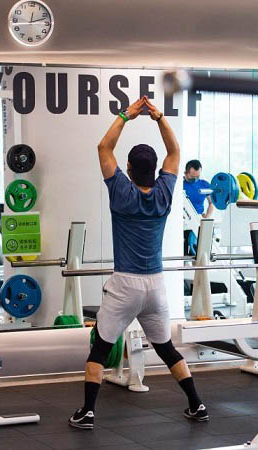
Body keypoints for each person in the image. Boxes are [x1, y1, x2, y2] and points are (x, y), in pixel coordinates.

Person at [69, 96, 208, 430]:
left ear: (128, 169)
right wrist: (158, 118)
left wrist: (126, 115)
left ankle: (87, 411)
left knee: (100, 348)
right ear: (156, 170)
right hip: (156, 286)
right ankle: (197, 404)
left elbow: (104, 147)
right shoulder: (164, 192)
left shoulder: (122, 191)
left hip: (125, 284)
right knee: (166, 348)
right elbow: (174, 152)